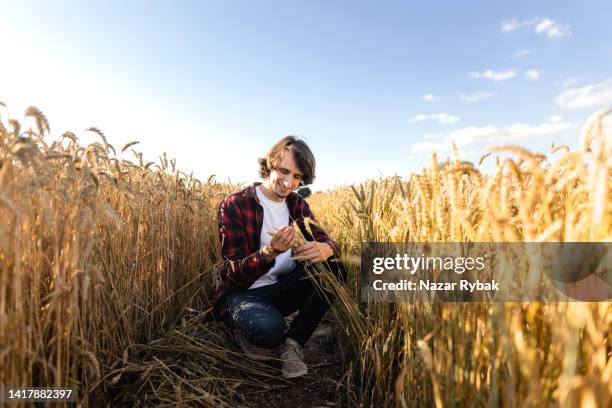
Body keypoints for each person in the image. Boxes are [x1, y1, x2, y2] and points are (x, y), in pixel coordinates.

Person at [210, 136, 347, 379]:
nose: (288, 182)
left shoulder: (297, 205)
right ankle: (246, 325)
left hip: (283, 289)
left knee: (336, 268)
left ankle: (293, 344)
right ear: (270, 165)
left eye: (297, 176)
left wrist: (327, 248)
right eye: (284, 171)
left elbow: (326, 240)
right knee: (270, 331)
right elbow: (233, 273)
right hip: (245, 293)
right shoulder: (236, 204)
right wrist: (267, 253)